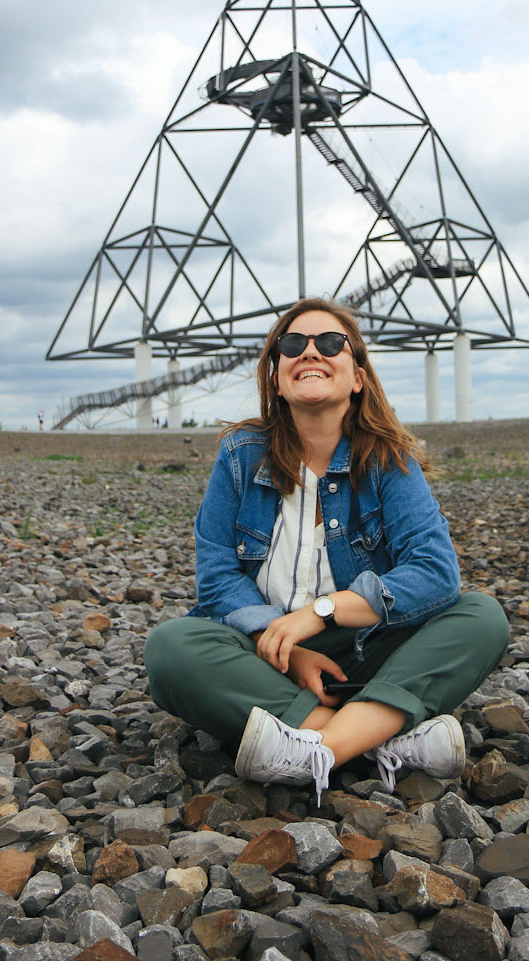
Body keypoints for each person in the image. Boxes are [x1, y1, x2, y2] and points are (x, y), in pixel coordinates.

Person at [144, 297, 509, 802]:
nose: (311, 353)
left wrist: (319, 614)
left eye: (331, 343)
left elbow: (435, 573)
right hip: (266, 655)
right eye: (293, 345)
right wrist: (289, 651)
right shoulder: (239, 456)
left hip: (364, 650)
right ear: (276, 376)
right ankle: (379, 738)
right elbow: (218, 579)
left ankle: (313, 749)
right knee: (171, 648)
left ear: (357, 375)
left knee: (482, 616)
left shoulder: (388, 458)